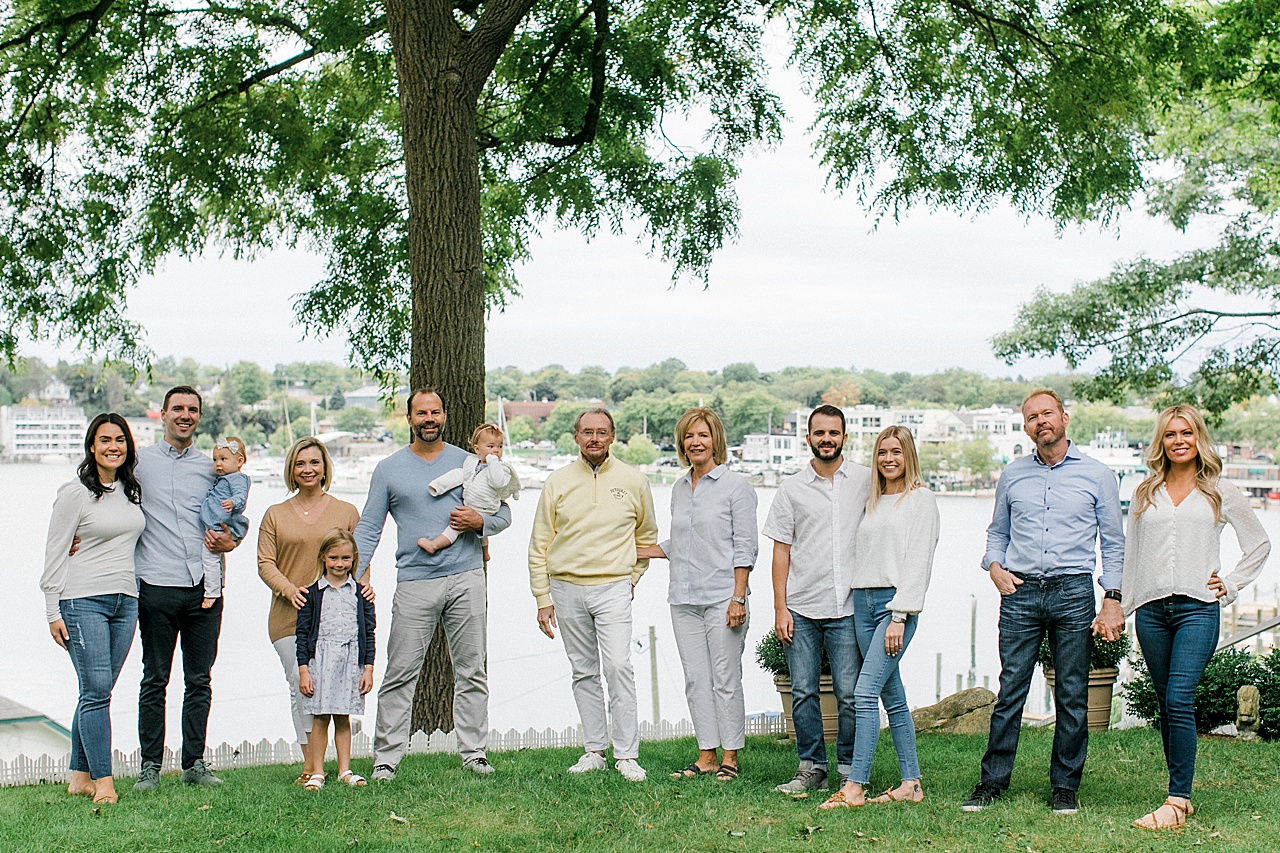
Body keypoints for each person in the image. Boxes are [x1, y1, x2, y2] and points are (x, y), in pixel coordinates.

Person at [963, 388, 1125, 816]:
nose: (1041, 422)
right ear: (1026, 427)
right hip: (1020, 591)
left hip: (1073, 592)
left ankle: (1065, 787)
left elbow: (1113, 542)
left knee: (1072, 692)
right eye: (1032, 417)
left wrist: (1112, 599)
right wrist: (994, 567)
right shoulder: (1014, 474)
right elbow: (997, 531)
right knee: (1011, 686)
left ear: (1064, 417)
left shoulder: (1099, 475)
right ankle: (992, 783)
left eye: (1047, 413)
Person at [1123, 405, 1269, 829]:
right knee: (1167, 704)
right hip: (1152, 611)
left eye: (1186, 432)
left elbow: (1257, 543)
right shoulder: (1145, 491)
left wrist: (1233, 583)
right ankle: (1178, 793)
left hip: (1197, 608)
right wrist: (1121, 605)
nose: (1179, 440)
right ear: (1161, 442)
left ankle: (1176, 799)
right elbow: (1133, 554)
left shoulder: (1219, 491)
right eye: (1170, 434)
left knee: (1179, 698)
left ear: (1199, 437)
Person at [359, 387, 512, 780]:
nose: (429, 418)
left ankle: (474, 754)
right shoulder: (389, 469)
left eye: (436, 412)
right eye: (421, 413)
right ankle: (386, 759)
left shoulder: (471, 460)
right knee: (400, 671)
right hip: (414, 582)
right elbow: (368, 527)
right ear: (409, 419)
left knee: (472, 669)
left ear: (444, 417)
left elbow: (503, 514)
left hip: (466, 577)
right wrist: (353, 574)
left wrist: (479, 523)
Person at [529, 408, 658, 781]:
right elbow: (539, 544)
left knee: (619, 666)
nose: (595, 438)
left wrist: (631, 578)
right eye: (587, 432)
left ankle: (627, 755)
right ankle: (595, 750)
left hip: (614, 586)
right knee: (584, 671)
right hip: (566, 587)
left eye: (602, 432)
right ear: (576, 437)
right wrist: (543, 598)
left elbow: (646, 537)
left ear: (613, 436)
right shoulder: (557, 482)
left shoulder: (634, 481)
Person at [821, 426, 939, 809]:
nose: (888, 459)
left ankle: (854, 787)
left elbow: (918, 563)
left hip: (893, 607)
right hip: (863, 603)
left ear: (909, 456)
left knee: (864, 692)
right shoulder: (873, 500)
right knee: (894, 697)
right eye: (882, 452)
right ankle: (911, 784)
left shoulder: (920, 501)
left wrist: (900, 616)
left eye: (896, 452)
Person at [637, 407, 757, 782]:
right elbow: (685, 541)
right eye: (689, 437)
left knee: (725, 678)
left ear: (715, 439)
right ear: (681, 444)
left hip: (723, 597)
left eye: (702, 435)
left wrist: (738, 597)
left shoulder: (737, 487)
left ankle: (731, 757)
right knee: (696, 679)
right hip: (683, 599)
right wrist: (642, 551)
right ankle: (706, 755)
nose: (695, 442)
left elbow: (745, 547)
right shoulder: (678, 488)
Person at [133, 386, 241, 791]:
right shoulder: (139, 462)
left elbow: (234, 519)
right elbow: (100, 491)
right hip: (156, 585)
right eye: (177, 408)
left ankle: (193, 762)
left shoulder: (212, 468)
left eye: (192, 409)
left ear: (199, 417)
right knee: (154, 679)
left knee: (199, 679)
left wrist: (232, 541)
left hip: (204, 589)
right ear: (162, 414)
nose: (185, 415)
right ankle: (150, 766)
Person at [763, 404, 871, 794]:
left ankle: (847, 768)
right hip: (802, 607)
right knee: (804, 691)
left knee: (849, 694)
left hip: (848, 608)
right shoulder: (791, 488)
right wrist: (780, 608)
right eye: (819, 433)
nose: (827, 439)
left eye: (834, 433)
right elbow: (781, 551)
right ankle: (811, 768)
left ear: (844, 437)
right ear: (807, 437)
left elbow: (899, 497)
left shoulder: (864, 479)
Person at [40, 413, 146, 804]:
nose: (113, 447)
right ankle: (104, 783)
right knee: (97, 691)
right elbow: (55, 551)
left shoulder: (130, 491)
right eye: (105, 440)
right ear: (91, 446)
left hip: (126, 600)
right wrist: (53, 610)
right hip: (82, 599)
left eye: (119, 440)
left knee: (96, 691)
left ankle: (78, 776)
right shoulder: (75, 493)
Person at [257, 437, 362, 783]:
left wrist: (365, 587)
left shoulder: (345, 511)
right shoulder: (275, 514)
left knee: (337, 686)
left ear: (324, 468)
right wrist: (289, 590)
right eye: (300, 464)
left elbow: (359, 559)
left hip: (338, 617)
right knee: (301, 683)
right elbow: (265, 563)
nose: (307, 470)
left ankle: (339, 762)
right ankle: (311, 764)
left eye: (314, 463)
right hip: (290, 615)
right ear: (291, 468)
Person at [297, 529, 376, 790]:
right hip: (320, 659)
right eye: (333, 558)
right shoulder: (312, 593)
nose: (339, 564)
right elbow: (302, 633)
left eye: (345, 558)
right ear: (323, 558)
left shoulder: (361, 594)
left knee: (343, 716)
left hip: (350, 660)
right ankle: (317, 771)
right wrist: (304, 671)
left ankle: (345, 770)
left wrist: (368, 669)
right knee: (320, 717)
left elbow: (369, 631)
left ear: (354, 558)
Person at [418, 423, 520, 557]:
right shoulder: (471, 463)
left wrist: (493, 462)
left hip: (487, 507)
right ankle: (485, 553)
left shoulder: (501, 468)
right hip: (471, 502)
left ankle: (434, 545)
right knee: (481, 535)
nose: (496, 450)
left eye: (500, 447)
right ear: (477, 450)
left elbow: (498, 482)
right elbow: (460, 475)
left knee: (454, 528)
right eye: (490, 447)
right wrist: (438, 486)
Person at [198, 436, 250, 609]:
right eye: (215, 460)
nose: (218, 464)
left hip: (221, 524)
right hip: (217, 522)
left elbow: (241, 497)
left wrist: (233, 502)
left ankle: (211, 592)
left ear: (239, 461)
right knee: (217, 556)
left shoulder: (238, 479)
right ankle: (220, 582)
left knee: (209, 556)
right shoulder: (226, 477)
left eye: (223, 459)